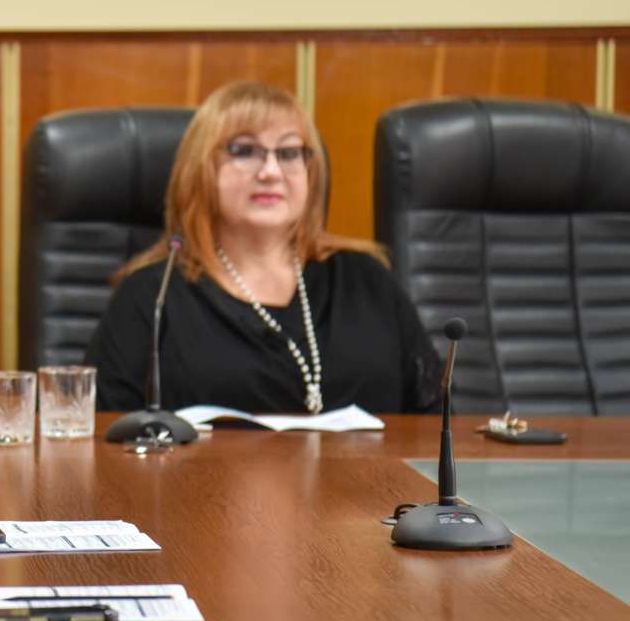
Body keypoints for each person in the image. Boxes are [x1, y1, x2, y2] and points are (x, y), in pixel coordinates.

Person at [86, 81, 440, 415]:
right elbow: (106, 435)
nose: (271, 171)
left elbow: (434, 417)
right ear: (200, 169)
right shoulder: (153, 298)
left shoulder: (367, 281)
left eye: (289, 152)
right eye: (244, 151)